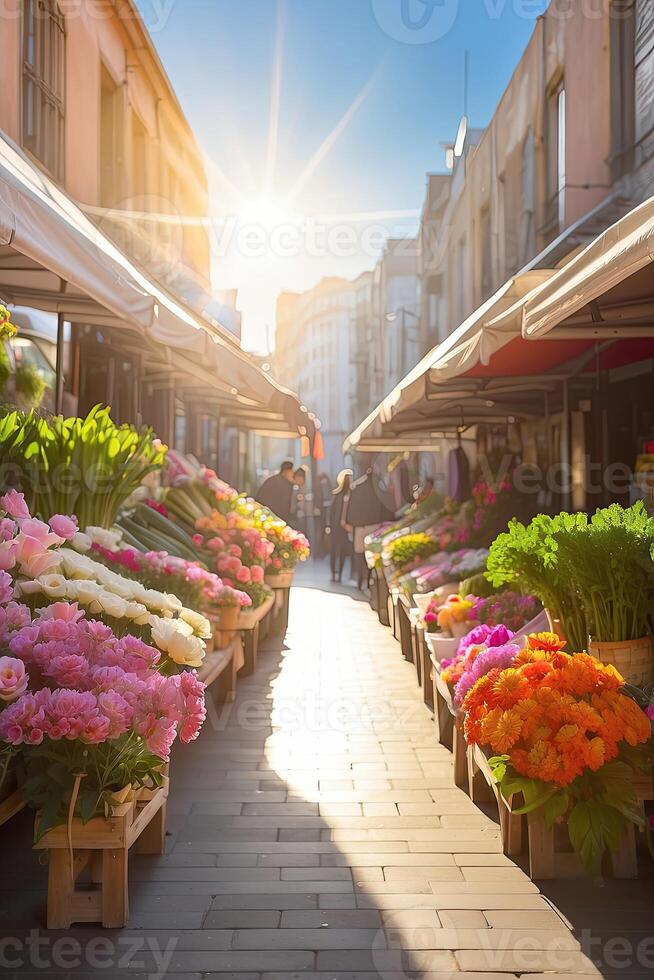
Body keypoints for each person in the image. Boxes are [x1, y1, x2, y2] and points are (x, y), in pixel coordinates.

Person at [343, 467, 395, 590]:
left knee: (360, 555)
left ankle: (361, 579)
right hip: (375, 526)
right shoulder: (379, 489)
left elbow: (351, 509)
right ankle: (370, 581)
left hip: (360, 527)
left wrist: (350, 522)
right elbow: (386, 507)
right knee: (373, 554)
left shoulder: (356, 487)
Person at [328, 469, 352, 583]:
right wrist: (328, 526)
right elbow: (331, 512)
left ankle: (340, 574)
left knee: (343, 551)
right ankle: (333, 573)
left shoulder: (352, 495)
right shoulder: (337, 495)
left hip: (345, 528)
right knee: (334, 551)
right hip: (335, 527)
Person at [291, 466, 308, 535]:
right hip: (295, 516)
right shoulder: (294, 488)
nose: (297, 481)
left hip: (305, 515)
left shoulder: (306, 489)